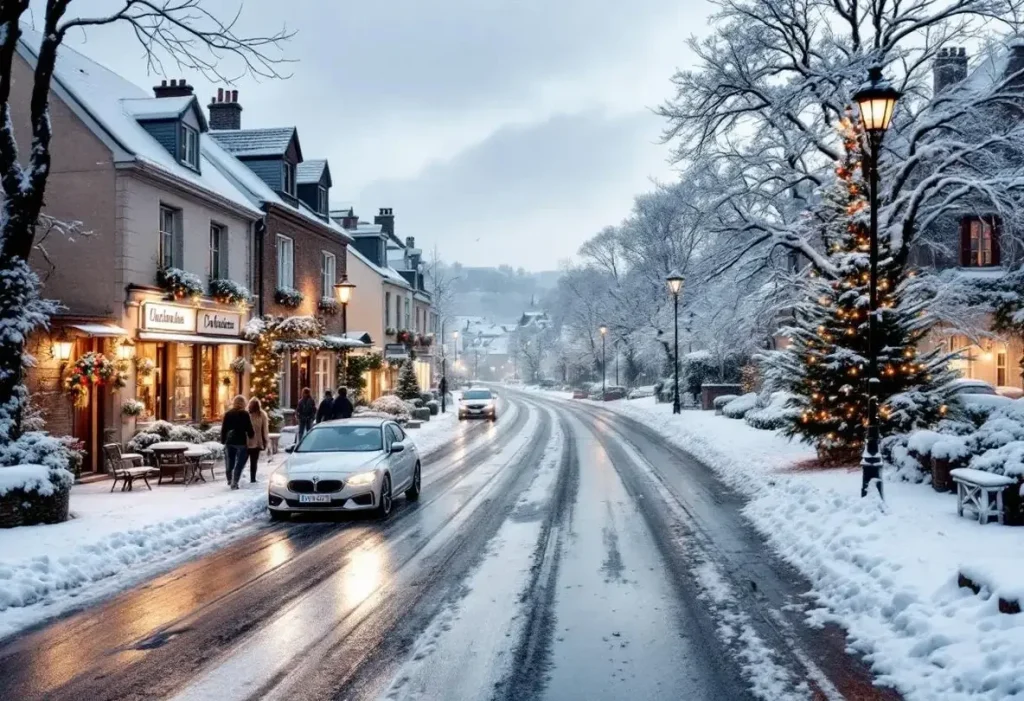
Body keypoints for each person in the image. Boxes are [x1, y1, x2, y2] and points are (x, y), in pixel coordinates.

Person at [221, 395, 255, 489]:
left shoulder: (228, 414)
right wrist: (251, 435)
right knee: (240, 463)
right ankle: (234, 482)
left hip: (230, 441)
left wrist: (223, 440)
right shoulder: (244, 414)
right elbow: (249, 427)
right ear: (244, 403)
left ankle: (229, 479)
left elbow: (224, 429)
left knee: (229, 461)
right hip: (241, 441)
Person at [246, 397, 270, 483]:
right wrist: (265, 441)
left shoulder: (247, 414)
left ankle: (238, 478)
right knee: (253, 461)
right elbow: (265, 430)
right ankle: (252, 478)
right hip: (256, 442)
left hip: (248, 442)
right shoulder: (262, 414)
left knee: (244, 461)